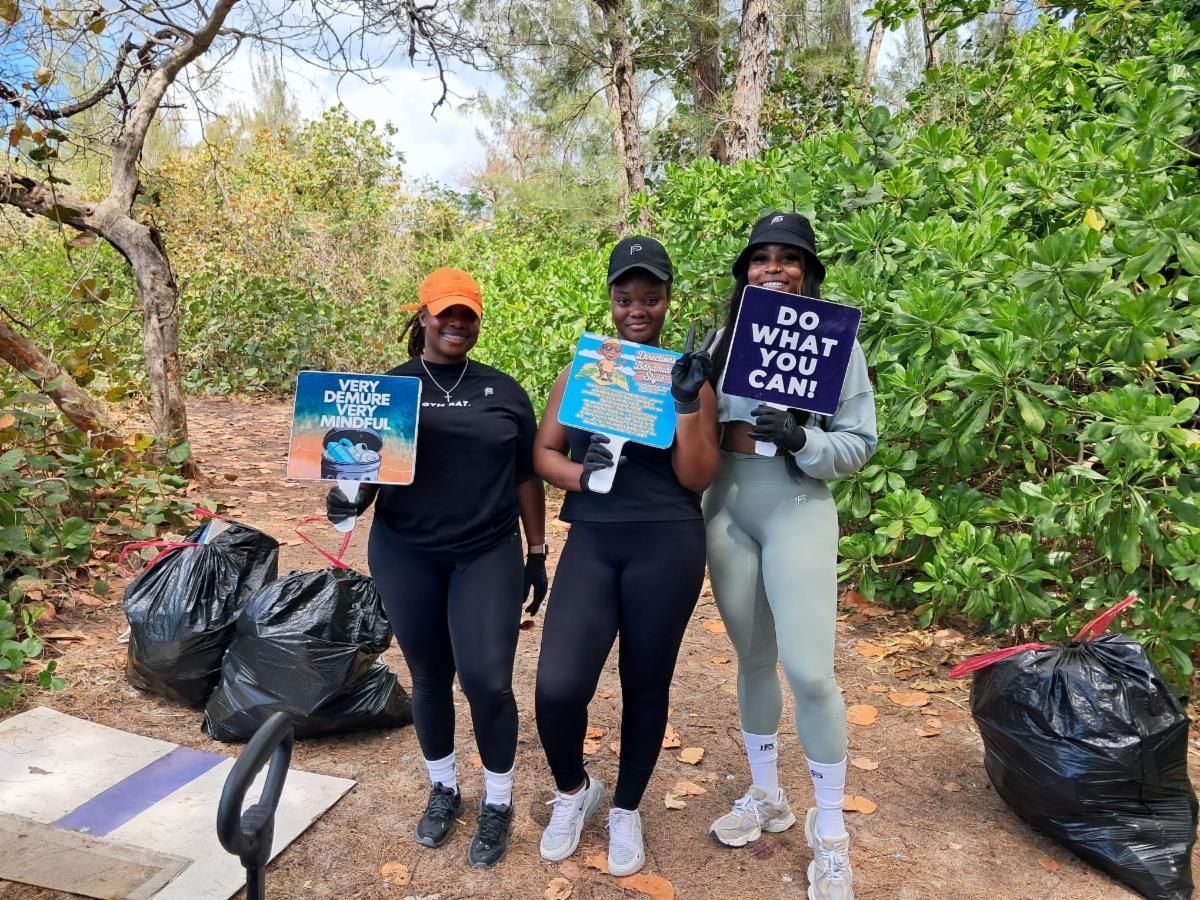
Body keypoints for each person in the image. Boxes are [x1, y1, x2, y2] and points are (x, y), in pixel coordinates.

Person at [326, 267, 548, 869]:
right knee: (429, 676)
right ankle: (444, 787)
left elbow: (526, 475)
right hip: (406, 552)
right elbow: (361, 470)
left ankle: (498, 799)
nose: (455, 323)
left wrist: (536, 551)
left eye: (466, 314)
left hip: (486, 552)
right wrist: (345, 497)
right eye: (444, 312)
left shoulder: (503, 391)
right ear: (420, 316)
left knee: (487, 682)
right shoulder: (386, 392)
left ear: (477, 321)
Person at [532, 236, 720, 876]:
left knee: (646, 683)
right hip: (594, 538)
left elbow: (697, 477)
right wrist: (585, 480)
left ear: (668, 300)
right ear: (611, 301)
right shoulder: (584, 369)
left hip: (667, 541)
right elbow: (544, 453)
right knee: (557, 688)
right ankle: (574, 790)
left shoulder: (688, 374)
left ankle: (626, 808)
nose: (637, 309)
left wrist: (689, 401)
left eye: (651, 297)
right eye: (625, 298)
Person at [703, 212, 877, 900]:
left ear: (808, 272)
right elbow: (681, 436)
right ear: (745, 271)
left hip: (799, 503)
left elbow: (859, 442)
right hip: (727, 503)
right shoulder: (720, 341)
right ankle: (768, 794)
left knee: (809, 671)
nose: (773, 268)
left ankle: (829, 831)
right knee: (749, 656)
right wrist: (690, 397)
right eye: (760, 258)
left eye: (789, 258)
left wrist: (804, 440)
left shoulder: (838, 343)